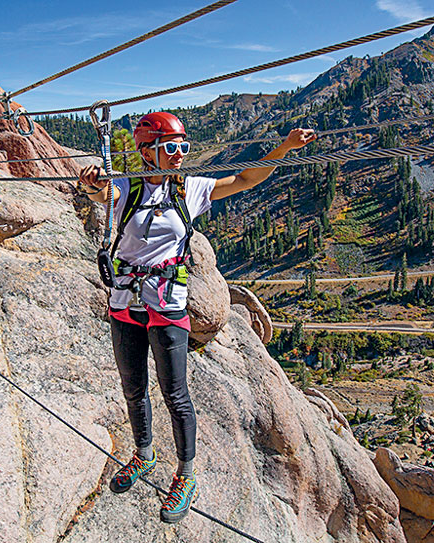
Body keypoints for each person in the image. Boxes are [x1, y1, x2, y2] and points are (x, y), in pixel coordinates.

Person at [78, 112, 315, 523]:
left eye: (183, 147)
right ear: (146, 150)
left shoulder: (191, 189)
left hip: (167, 302)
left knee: (175, 394)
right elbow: (100, 195)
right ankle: (144, 454)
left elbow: (243, 180)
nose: (180, 156)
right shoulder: (124, 189)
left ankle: (186, 476)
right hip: (125, 302)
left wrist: (284, 149)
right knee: (133, 388)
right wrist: (92, 182)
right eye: (171, 147)